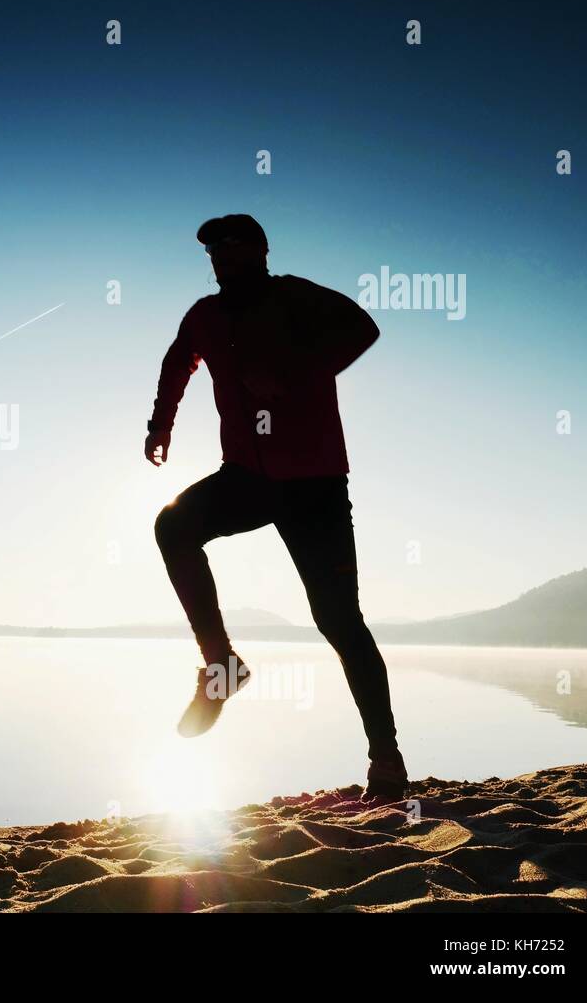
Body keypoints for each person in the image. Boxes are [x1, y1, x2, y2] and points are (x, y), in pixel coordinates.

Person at [145, 213, 408, 802]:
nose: (220, 257)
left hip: (314, 483)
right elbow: (176, 364)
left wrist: (291, 376)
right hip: (246, 478)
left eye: (232, 247)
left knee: (339, 621)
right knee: (174, 525)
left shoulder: (294, 295)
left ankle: (386, 758)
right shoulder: (204, 315)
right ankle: (222, 667)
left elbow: (362, 328)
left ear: (260, 250)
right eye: (212, 250)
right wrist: (160, 425)